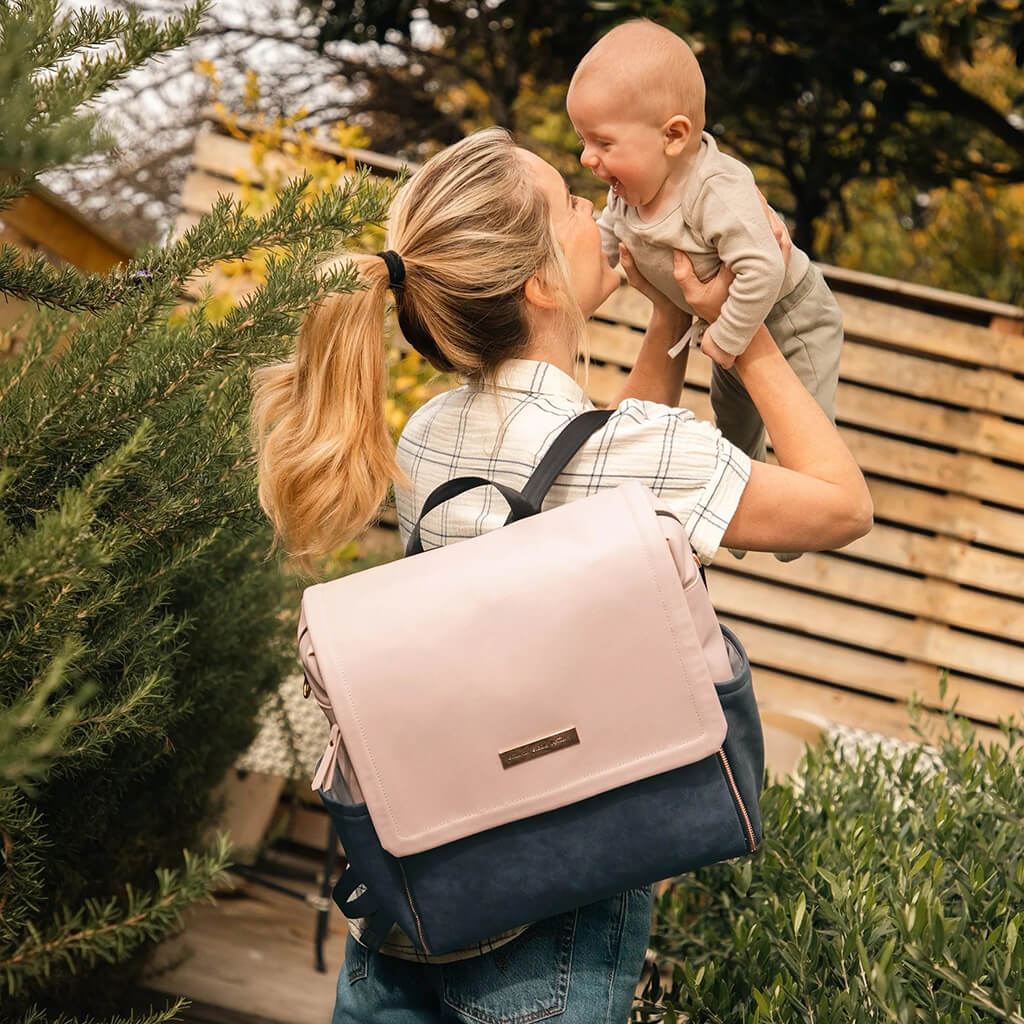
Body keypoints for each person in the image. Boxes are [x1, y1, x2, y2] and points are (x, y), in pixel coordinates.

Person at [250, 127, 872, 1023]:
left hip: (413, 896)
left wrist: (668, 323)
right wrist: (748, 331)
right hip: (552, 918)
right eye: (573, 205)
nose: (597, 207)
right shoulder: (640, 455)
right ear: (540, 283)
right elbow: (841, 504)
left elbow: (586, 483)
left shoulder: (430, 437)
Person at [566, 19, 846, 561]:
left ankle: (798, 520)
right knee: (732, 415)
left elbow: (764, 268)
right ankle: (739, 515)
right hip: (723, 320)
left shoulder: (715, 190)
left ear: (673, 136)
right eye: (583, 140)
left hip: (790, 317)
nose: (586, 158)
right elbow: (609, 234)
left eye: (602, 142)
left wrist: (730, 338)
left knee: (805, 422)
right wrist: (587, 282)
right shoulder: (630, 188)